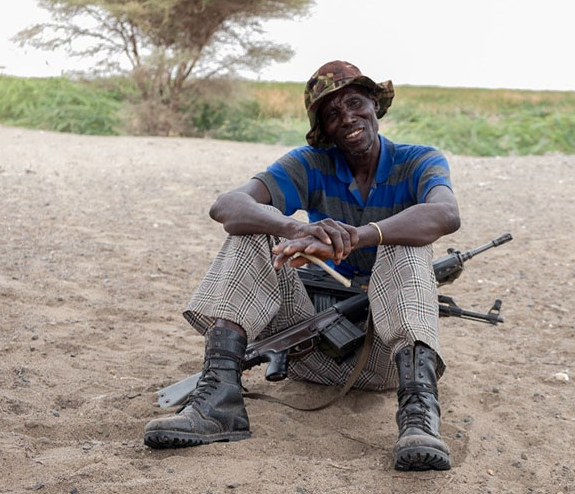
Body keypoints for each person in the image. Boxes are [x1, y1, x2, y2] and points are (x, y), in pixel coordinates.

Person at [143, 61, 460, 471]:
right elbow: (227, 206)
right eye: (331, 113)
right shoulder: (310, 163)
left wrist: (360, 235)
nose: (346, 117)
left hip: (383, 356)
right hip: (307, 347)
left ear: (375, 105)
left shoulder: (419, 160)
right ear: (323, 129)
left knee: (406, 244)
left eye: (354, 102)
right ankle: (219, 401)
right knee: (253, 228)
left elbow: (446, 215)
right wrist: (294, 227)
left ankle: (419, 416)